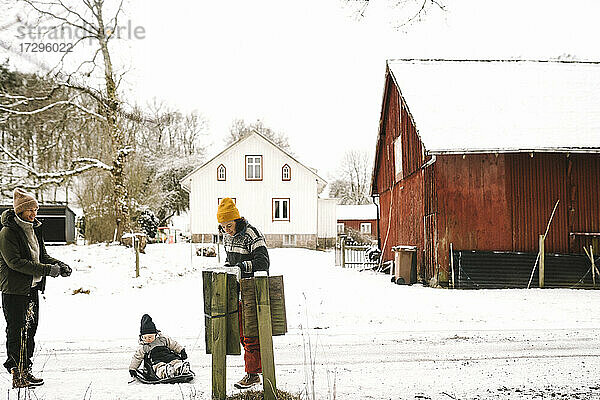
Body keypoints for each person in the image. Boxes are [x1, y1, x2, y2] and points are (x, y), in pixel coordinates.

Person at [0, 189, 72, 388]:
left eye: (35, 209)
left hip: (32, 289)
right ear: (19, 211)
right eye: (30, 210)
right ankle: (17, 373)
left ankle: (26, 370)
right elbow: (15, 262)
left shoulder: (34, 228)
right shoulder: (8, 232)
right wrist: (49, 270)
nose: (34, 213)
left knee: (30, 331)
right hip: (14, 291)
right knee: (16, 331)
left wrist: (60, 264)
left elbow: (42, 256)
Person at [217, 197, 269, 389]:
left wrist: (240, 267)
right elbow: (230, 262)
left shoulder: (251, 234)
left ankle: (253, 373)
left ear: (236, 220)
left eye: (228, 225)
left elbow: (263, 263)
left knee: (251, 335)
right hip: (237, 292)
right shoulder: (226, 237)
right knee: (240, 334)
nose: (226, 230)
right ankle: (255, 368)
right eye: (222, 227)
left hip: (254, 290)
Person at [129, 314, 190, 380]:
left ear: (155, 335)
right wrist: (133, 369)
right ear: (141, 337)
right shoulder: (144, 347)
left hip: (168, 356)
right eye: (145, 337)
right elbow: (137, 357)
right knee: (159, 367)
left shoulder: (162, 339)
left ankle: (180, 368)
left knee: (175, 361)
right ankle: (165, 372)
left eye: (150, 337)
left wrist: (181, 351)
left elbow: (173, 344)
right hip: (155, 360)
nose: (148, 339)